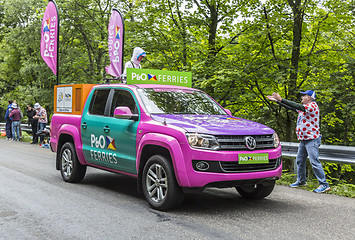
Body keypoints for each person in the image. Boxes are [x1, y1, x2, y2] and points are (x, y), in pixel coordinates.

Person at [267, 90, 330, 193]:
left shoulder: (312, 106)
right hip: (304, 140)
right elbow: (291, 107)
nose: (302, 97)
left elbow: (296, 105)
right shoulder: (304, 108)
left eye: (304, 95)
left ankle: (324, 184)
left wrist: (281, 99)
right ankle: (301, 181)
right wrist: (278, 101)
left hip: (312, 139)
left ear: (309, 98)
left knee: (314, 162)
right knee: (300, 160)